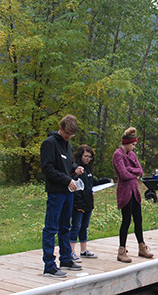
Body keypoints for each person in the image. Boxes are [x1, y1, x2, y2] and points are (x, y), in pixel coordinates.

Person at [41, 115, 83, 277]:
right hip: (56, 192)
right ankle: (49, 265)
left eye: (71, 135)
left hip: (68, 192)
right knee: (51, 227)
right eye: (66, 133)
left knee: (66, 226)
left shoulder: (67, 144)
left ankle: (65, 258)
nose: (68, 137)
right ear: (61, 128)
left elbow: (67, 165)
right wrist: (67, 179)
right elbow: (48, 168)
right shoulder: (49, 143)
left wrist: (76, 169)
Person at [112, 127, 153, 263]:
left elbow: (140, 171)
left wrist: (130, 170)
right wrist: (132, 172)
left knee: (138, 219)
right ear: (127, 143)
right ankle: (121, 250)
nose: (134, 147)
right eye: (133, 145)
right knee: (126, 220)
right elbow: (123, 175)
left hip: (135, 190)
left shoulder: (132, 155)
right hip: (125, 191)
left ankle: (142, 246)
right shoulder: (118, 155)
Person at [70, 145, 113, 263]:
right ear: (80, 155)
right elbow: (73, 183)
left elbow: (94, 182)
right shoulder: (75, 168)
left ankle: (83, 250)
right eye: (86, 156)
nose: (88, 159)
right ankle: (71, 251)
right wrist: (78, 203)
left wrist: (106, 180)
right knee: (76, 227)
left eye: (90, 157)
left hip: (88, 203)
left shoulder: (88, 170)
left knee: (84, 227)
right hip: (78, 204)